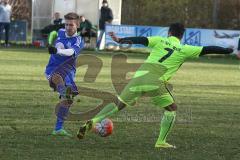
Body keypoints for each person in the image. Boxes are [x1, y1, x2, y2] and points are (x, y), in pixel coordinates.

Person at [77, 23, 233, 148]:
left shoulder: (160, 41)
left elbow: (141, 40)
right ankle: (161, 142)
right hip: (155, 81)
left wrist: (120, 40)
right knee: (172, 109)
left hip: (138, 77)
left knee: (118, 103)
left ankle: (93, 121)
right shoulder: (185, 49)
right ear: (181, 35)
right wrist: (227, 50)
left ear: (169, 33)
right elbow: (208, 49)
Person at [45, 12, 84, 136]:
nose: (68, 27)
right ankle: (63, 91)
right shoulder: (61, 31)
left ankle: (58, 129)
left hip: (69, 73)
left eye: (71, 25)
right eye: (66, 24)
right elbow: (53, 34)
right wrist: (50, 41)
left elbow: (71, 52)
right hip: (53, 69)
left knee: (67, 102)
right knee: (57, 77)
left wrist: (57, 50)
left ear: (77, 25)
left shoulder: (78, 40)